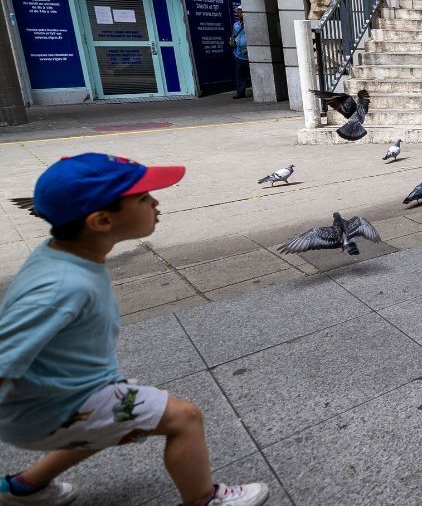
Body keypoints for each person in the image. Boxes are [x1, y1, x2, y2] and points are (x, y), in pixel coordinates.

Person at [0, 153, 270, 506]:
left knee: (107, 426)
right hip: (51, 408)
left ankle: (25, 487)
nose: (156, 203)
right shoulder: (61, 286)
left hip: (68, 391)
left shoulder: (64, 253)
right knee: (184, 418)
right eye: (143, 198)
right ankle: (203, 499)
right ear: (100, 220)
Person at [229, 7, 249, 99]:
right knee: (240, 74)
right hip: (238, 54)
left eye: (240, 12)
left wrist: (249, 49)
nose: (238, 14)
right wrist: (232, 41)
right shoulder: (236, 25)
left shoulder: (249, 24)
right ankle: (240, 92)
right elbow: (233, 35)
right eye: (238, 12)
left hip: (248, 54)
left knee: (249, 73)